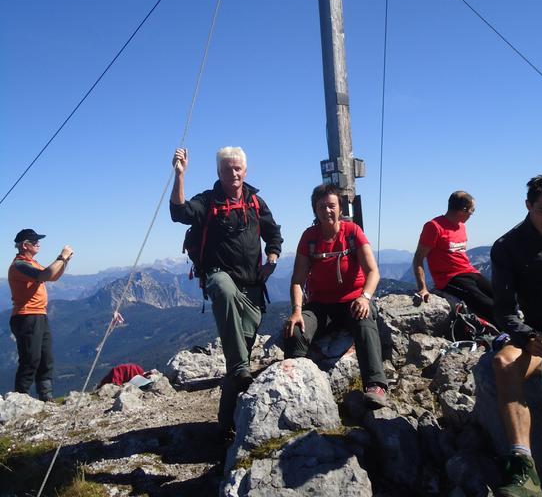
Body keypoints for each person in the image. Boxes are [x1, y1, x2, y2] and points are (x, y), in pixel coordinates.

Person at [170, 146, 283, 431]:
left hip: (253, 286)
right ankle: (238, 377)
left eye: (237, 168)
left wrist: (272, 256)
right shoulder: (208, 201)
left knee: (239, 360)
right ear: (218, 173)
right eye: (227, 169)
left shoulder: (256, 202)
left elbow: (273, 233)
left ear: (245, 171)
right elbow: (179, 212)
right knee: (223, 288)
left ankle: (226, 426)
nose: (233, 173)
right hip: (220, 279)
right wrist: (179, 175)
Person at [491, 175, 542, 497]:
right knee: (504, 364)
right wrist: (527, 338)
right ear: (528, 206)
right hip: (539, 338)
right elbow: (504, 310)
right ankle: (524, 469)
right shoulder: (507, 247)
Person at [283, 184, 388, 408]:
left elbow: (373, 271)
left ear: (340, 208)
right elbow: (298, 279)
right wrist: (297, 311)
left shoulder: (352, 232)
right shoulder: (309, 238)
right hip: (321, 305)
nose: (327, 211)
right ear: (315, 210)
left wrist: (365, 297)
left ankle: (375, 384)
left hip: (353, 301)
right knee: (296, 331)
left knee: (364, 321)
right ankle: (295, 385)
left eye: (332, 206)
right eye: (321, 207)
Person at [8, 228, 74, 400]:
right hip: (26, 316)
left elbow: (53, 276)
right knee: (31, 359)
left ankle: (46, 398)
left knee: (45, 358)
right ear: (24, 245)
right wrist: (62, 257)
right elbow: (47, 274)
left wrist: (64, 261)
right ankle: (19, 399)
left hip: (38, 315)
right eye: (34, 241)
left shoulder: (31, 264)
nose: (38, 243)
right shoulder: (20, 265)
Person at [413, 191, 495, 322]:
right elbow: (418, 258)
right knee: (488, 305)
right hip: (449, 279)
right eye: (472, 210)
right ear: (463, 210)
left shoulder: (461, 226)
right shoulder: (434, 227)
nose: (472, 214)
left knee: (501, 297)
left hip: (469, 272)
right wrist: (422, 288)